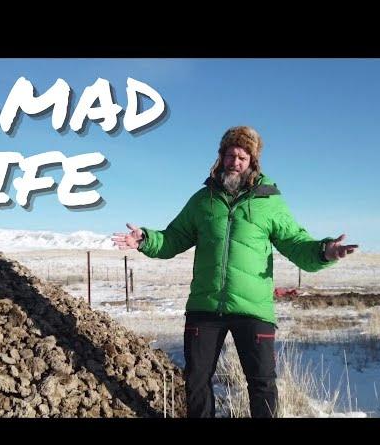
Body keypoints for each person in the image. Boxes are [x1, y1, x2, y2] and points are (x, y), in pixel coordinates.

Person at [112, 126, 358, 418]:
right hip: (205, 305)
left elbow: (295, 242)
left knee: (261, 384)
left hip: (253, 309)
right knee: (196, 381)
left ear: (253, 162)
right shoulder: (203, 200)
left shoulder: (269, 202)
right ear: (221, 157)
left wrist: (325, 251)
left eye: (243, 156)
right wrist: (146, 240)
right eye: (231, 154)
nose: (236, 161)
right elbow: (174, 237)